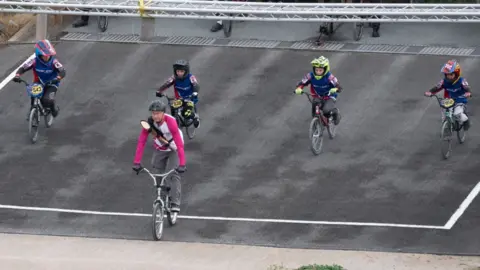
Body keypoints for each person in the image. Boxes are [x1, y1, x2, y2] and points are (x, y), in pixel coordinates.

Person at [132, 100, 187, 213]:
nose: (155, 115)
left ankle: (175, 202)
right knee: (157, 173)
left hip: (174, 148)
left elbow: (179, 145)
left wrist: (182, 164)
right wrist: (136, 162)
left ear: (163, 113)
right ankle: (162, 196)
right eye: (153, 113)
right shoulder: (149, 123)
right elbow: (141, 142)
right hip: (160, 148)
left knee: (174, 174)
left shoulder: (171, 122)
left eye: (157, 113)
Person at [12, 39, 66, 120]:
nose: (47, 57)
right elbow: (23, 68)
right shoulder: (34, 61)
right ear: (39, 54)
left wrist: (58, 78)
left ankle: (53, 110)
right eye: (45, 55)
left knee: (47, 100)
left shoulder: (54, 62)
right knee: (33, 94)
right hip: (39, 82)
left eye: (48, 55)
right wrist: (17, 75)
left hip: (52, 83)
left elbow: (63, 71)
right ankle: (32, 110)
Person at [424, 59, 472, 130]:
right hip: (449, 100)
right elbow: (437, 87)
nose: (448, 77)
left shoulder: (462, 81)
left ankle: (466, 121)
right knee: (445, 115)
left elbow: (467, 88)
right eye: (447, 75)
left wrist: (468, 93)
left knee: (457, 114)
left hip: (460, 100)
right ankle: (446, 127)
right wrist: (430, 92)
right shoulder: (444, 81)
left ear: (456, 74)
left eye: (451, 75)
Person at [294, 56, 343, 125]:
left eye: (320, 70)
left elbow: (339, 87)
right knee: (315, 105)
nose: (318, 72)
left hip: (329, 96)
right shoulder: (310, 75)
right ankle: (316, 122)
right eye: (316, 70)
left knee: (326, 111)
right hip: (318, 96)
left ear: (325, 69)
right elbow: (302, 82)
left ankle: (335, 113)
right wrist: (299, 88)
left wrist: (335, 89)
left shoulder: (330, 77)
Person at [156, 59, 200, 128]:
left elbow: (195, 85)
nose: (179, 73)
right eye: (178, 71)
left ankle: (195, 117)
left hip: (190, 98)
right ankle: (176, 122)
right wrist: (159, 91)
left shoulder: (191, 77)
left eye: (182, 71)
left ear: (186, 71)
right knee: (173, 107)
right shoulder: (174, 77)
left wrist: (195, 92)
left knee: (186, 113)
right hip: (179, 98)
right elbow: (167, 84)